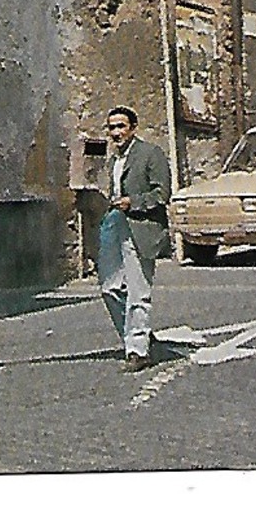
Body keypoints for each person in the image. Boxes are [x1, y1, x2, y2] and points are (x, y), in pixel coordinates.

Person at [97, 106, 172, 372]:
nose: (116, 132)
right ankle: (138, 335)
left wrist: (133, 202)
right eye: (112, 127)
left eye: (121, 126)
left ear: (133, 127)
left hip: (141, 227)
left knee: (138, 291)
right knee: (110, 287)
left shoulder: (150, 154)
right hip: (115, 223)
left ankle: (138, 351)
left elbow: (162, 193)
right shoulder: (113, 159)